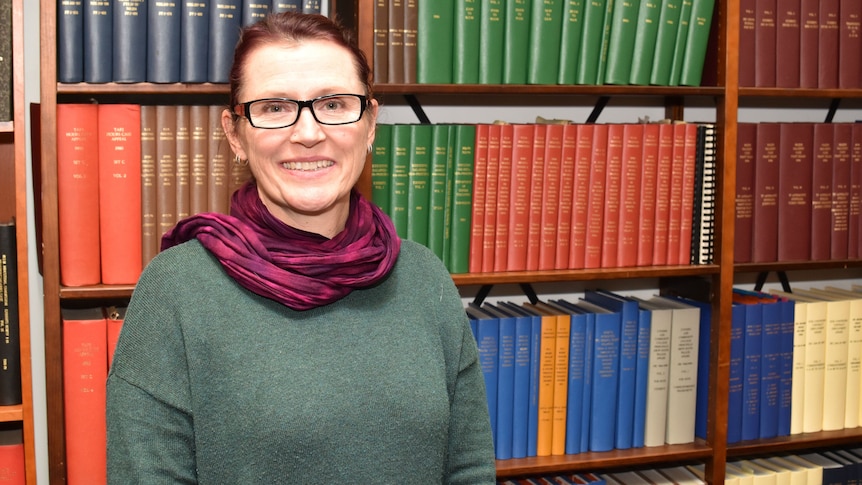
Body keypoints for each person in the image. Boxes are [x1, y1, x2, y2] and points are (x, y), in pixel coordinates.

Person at [106, 12, 496, 484]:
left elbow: (469, 468)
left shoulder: (423, 276)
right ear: (236, 135)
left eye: (333, 104)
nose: (308, 133)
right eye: (274, 107)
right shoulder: (177, 290)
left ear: (370, 123)